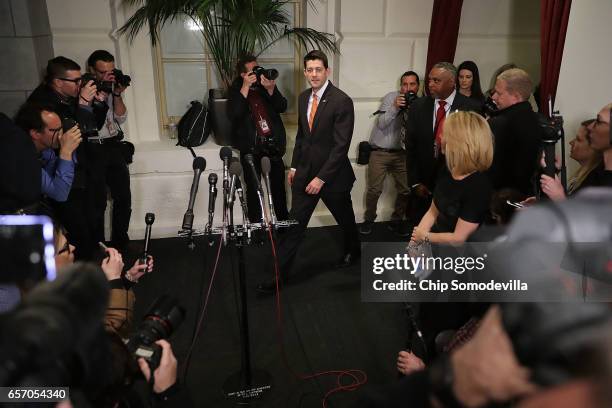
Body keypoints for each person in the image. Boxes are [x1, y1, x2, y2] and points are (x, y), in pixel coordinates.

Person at [257, 50, 360, 292]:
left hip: (333, 177)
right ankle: (279, 277)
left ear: (327, 71)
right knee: (295, 225)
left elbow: (340, 147)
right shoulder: (304, 98)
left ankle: (354, 251)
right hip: (305, 174)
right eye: (310, 70)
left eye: (318, 69)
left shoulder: (341, 101)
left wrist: (321, 178)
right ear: (305, 72)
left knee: (345, 220)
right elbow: (303, 136)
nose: (314, 74)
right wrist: (294, 166)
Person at [28, 56, 105, 260]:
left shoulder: (67, 97)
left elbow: (91, 128)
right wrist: (83, 104)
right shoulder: (42, 105)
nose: (80, 85)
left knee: (94, 223)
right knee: (80, 234)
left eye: (81, 79)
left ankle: (99, 270)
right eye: (75, 81)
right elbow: (70, 136)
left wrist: (95, 104)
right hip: (60, 173)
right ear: (57, 82)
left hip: (82, 170)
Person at [404, 62, 482, 225]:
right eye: (429, 80)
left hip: (454, 188)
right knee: (419, 236)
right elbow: (411, 147)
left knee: (445, 241)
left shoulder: (471, 108)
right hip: (422, 187)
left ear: (452, 82)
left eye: (436, 81)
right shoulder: (418, 106)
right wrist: (415, 182)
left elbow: (474, 151)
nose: (430, 84)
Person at [227, 54, 289, 223]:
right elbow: (235, 114)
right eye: (252, 70)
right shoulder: (236, 90)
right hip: (251, 149)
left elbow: (282, 106)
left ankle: (283, 226)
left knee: (278, 190)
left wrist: (271, 89)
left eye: (257, 67)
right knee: (254, 191)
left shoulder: (264, 85)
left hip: (272, 146)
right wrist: (245, 87)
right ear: (243, 75)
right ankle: (256, 228)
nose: (256, 72)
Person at [359, 71, 419, 236]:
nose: (408, 88)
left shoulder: (420, 104)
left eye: (412, 84)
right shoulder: (391, 98)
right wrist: (395, 107)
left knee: (406, 190)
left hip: (402, 154)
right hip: (380, 152)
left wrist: (413, 110)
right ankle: (369, 220)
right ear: (401, 86)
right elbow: (382, 123)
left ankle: (396, 220)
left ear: (418, 86)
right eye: (405, 84)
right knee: (374, 190)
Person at [86, 50, 133, 251]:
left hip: (113, 145)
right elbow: (88, 123)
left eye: (111, 70)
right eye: (103, 72)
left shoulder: (112, 86)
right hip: (93, 147)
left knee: (123, 198)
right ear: (92, 70)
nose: (108, 75)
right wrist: (99, 96)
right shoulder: (85, 89)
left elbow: (121, 117)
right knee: (97, 203)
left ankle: (120, 243)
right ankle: (98, 247)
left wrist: (116, 94)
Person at [14, 102, 82, 202]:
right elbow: (60, 194)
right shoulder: (22, 157)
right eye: (55, 130)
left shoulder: (47, 151)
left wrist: (70, 150)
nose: (61, 135)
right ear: (36, 133)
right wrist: (66, 152)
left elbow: (55, 180)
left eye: (61, 128)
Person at [488, 68, 541, 196]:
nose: (493, 97)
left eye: (499, 93)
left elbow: (489, 168)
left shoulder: (500, 124)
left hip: (498, 198)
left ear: (516, 97)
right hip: (524, 197)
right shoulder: (537, 120)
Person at [539, 119, 603, 200]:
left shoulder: (595, 184)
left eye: (578, 139)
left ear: (594, 146)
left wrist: (559, 197)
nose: (571, 142)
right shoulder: (581, 176)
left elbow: (579, 211)